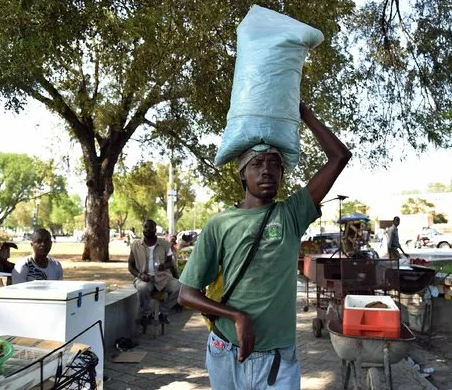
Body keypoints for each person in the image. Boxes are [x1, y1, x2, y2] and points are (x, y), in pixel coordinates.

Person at [178, 102, 351, 390]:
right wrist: (236, 316)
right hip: (225, 350)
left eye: (274, 164)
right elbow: (186, 294)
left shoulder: (292, 215)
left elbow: (339, 157)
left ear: (282, 174)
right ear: (242, 174)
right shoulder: (219, 224)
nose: (267, 170)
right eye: (257, 164)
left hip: (277, 359)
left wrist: (304, 113)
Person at [128, 220, 181, 326]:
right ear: (142, 229)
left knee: (180, 287)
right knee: (142, 288)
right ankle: (146, 314)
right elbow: (130, 266)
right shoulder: (135, 245)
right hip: (144, 278)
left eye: (150, 227)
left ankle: (163, 312)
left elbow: (171, 262)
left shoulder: (165, 245)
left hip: (163, 277)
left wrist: (164, 266)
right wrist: (140, 275)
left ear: (155, 230)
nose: (147, 229)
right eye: (145, 227)